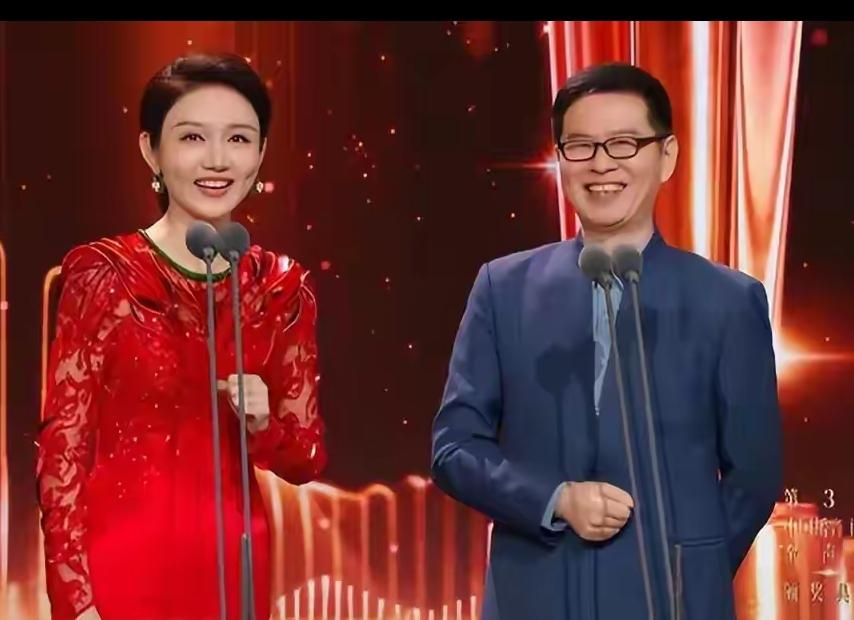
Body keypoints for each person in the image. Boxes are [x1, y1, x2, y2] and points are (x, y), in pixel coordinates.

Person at [431, 62, 782, 619]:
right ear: (560, 159)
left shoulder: (728, 300)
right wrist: (555, 501)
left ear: (666, 156)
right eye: (581, 146)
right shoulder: (502, 288)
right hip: (534, 599)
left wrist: (691, 575)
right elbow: (455, 449)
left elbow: (754, 477)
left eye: (624, 143)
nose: (601, 164)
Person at [37, 53, 327, 620]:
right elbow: (61, 450)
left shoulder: (281, 286)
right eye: (193, 136)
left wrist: (263, 424)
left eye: (239, 138)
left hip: (235, 564)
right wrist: (76, 601)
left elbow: (307, 457)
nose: (217, 159)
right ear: (151, 149)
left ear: (261, 152)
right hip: (122, 569)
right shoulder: (105, 274)